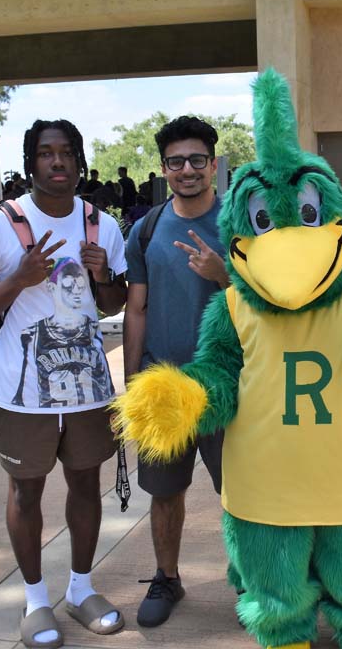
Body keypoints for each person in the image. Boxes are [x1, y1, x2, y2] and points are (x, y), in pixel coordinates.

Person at [0, 119, 129, 648]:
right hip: (20, 390)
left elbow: (115, 305)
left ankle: (79, 589)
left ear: (80, 162)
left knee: (84, 483)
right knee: (26, 490)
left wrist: (104, 278)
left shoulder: (104, 225)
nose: (58, 162)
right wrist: (17, 281)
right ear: (31, 163)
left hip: (88, 387)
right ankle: (34, 601)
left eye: (68, 153)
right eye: (47, 153)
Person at [123, 115, 229, 628]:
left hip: (228, 386)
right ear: (163, 167)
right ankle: (167, 577)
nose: (187, 170)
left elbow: (272, 300)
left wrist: (222, 273)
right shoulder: (146, 228)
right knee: (164, 493)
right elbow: (136, 309)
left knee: (244, 492)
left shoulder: (242, 221)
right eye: (175, 161)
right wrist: (131, 385)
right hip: (162, 384)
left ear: (213, 163)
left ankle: (255, 579)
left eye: (196, 160)